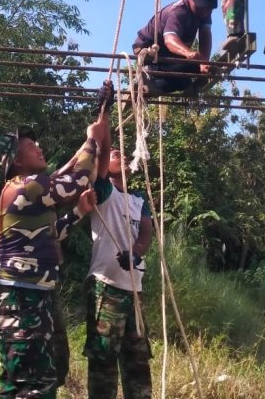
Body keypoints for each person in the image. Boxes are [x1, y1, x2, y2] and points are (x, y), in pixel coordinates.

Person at [0, 92, 112, 399]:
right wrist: (92, 138)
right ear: (17, 159)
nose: (39, 147)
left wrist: (80, 212)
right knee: (32, 385)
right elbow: (79, 176)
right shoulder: (24, 186)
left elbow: (51, 232)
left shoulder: (29, 190)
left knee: (28, 381)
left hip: (28, 295)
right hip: (18, 297)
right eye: (31, 146)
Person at [84, 147, 154, 399]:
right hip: (106, 286)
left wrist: (136, 251)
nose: (122, 156)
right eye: (115, 155)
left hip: (134, 290)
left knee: (138, 359)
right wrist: (103, 120)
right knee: (104, 360)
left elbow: (146, 232)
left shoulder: (138, 200)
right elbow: (100, 163)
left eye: (124, 155)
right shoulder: (104, 192)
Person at [132, 0, 217, 96]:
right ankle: (148, 79)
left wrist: (204, 63)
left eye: (209, 8)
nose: (205, 12)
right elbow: (170, 40)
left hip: (169, 53)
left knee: (188, 76)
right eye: (201, 7)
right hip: (149, 50)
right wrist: (188, 53)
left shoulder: (205, 12)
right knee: (184, 74)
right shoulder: (179, 11)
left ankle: (160, 84)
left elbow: (205, 35)